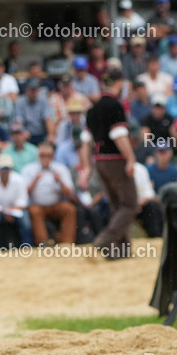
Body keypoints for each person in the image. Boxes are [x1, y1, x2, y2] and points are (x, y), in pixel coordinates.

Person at [79, 68, 137, 259]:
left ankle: (120, 250)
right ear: (119, 83)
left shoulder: (93, 109)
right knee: (130, 204)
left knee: (117, 205)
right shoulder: (115, 105)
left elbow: (86, 142)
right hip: (116, 160)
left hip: (100, 161)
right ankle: (106, 240)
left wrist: (86, 167)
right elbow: (119, 135)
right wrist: (130, 159)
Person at [21, 143, 78, 245]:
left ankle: (66, 242)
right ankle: (42, 242)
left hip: (56, 205)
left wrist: (60, 181)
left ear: (53, 156)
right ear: (38, 156)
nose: (45, 158)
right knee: (34, 211)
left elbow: (69, 193)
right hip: (37, 205)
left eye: (48, 155)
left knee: (69, 209)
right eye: (43, 155)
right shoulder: (29, 169)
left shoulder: (61, 169)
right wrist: (35, 180)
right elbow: (24, 193)